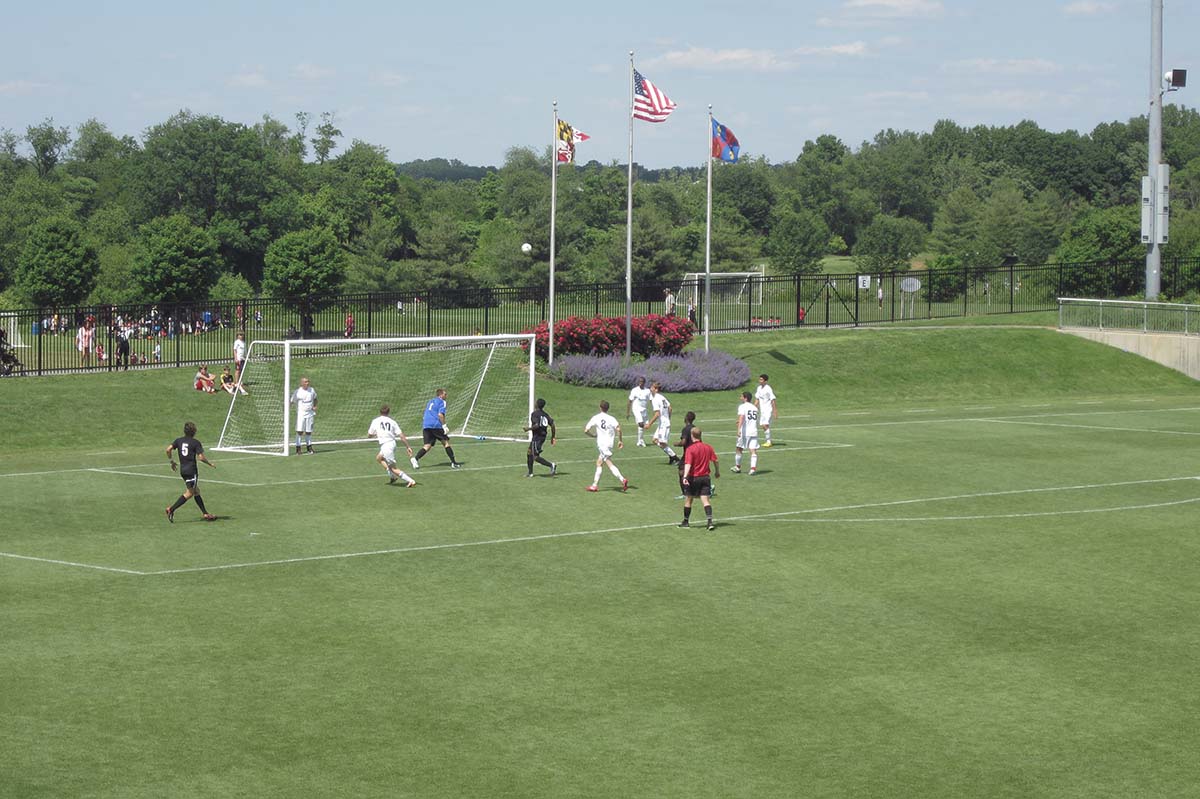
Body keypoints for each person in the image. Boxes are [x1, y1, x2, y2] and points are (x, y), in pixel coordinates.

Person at [165, 421, 217, 522]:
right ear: (194, 431)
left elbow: (168, 450)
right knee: (190, 493)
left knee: (196, 491)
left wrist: (171, 462)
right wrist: (210, 463)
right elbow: (201, 458)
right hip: (191, 471)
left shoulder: (178, 440)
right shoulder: (195, 443)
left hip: (183, 470)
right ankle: (171, 509)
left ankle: (205, 514)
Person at [679, 427, 719, 530]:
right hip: (705, 477)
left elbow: (688, 463)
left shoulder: (690, 449)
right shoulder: (708, 447)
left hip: (694, 477)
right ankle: (710, 522)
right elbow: (715, 460)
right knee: (705, 500)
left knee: (689, 499)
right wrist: (717, 471)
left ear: (692, 435)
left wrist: (684, 477)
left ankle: (686, 521)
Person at [412, 388, 462, 469]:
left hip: (426, 425)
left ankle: (415, 459)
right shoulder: (442, 402)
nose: (446, 396)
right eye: (445, 394)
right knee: (446, 443)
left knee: (427, 446)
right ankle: (454, 463)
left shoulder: (430, 401)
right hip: (435, 425)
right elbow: (440, 415)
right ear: (441, 395)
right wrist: (444, 426)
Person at [368, 404, 417, 487]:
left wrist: (376, 434)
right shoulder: (392, 422)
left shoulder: (375, 421)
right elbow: (401, 435)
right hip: (392, 443)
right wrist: (408, 446)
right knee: (379, 458)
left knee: (393, 468)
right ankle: (392, 477)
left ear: (380, 412)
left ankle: (411, 481)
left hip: (387, 446)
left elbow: (369, 435)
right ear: (388, 412)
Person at [584, 400, 628, 493]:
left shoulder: (596, 417)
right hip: (609, 444)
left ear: (600, 407)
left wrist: (592, 435)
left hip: (602, 444)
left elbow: (586, 430)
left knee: (608, 463)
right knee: (599, 463)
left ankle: (622, 479)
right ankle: (594, 485)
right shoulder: (612, 418)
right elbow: (619, 430)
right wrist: (620, 440)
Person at [646, 382, 680, 465]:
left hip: (663, 424)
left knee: (662, 443)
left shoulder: (655, 399)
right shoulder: (662, 397)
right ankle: (671, 456)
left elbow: (657, 414)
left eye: (652, 387)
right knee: (655, 440)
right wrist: (668, 418)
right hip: (662, 423)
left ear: (656, 389)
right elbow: (670, 408)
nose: (651, 388)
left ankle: (676, 458)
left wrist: (649, 424)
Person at [523, 398, 557, 477]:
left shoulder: (534, 414)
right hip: (541, 436)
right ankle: (530, 472)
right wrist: (553, 437)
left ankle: (551, 465)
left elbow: (536, 425)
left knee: (535, 456)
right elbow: (552, 425)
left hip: (537, 437)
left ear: (537, 404)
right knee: (529, 453)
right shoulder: (545, 414)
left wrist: (528, 429)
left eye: (535, 402)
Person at [734, 390, 761, 475]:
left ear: (745, 398)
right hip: (754, 431)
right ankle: (753, 469)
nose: (740, 398)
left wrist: (738, 429)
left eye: (741, 396)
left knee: (739, 448)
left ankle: (737, 467)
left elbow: (742, 417)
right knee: (753, 450)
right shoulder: (754, 407)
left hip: (745, 432)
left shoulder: (742, 406)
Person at [291, 376, 317, 454]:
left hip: (310, 413)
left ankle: (309, 447)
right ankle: (298, 448)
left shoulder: (312, 390)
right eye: (305, 382)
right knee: (300, 431)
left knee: (309, 431)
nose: (307, 383)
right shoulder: (298, 392)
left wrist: (315, 406)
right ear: (301, 383)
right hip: (301, 414)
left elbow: (315, 398)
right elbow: (292, 401)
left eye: (308, 381)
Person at [675, 410, 697, 499]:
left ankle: (685, 493)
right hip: (696, 452)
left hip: (688, 454)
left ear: (686, 418)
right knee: (693, 473)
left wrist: (677, 443)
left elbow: (684, 442)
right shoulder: (695, 428)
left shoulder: (686, 429)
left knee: (681, 472)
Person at [626, 376, 651, 447]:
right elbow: (630, 401)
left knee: (645, 425)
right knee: (640, 423)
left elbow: (651, 400)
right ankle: (641, 441)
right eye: (639, 382)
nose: (640, 383)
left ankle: (639, 441)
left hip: (644, 409)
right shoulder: (634, 390)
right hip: (636, 409)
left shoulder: (647, 391)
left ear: (644, 383)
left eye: (642, 382)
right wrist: (628, 412)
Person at [755, 374, 777, 448]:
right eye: (759, 379)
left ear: (765, 381)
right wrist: (753, 408)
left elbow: (773, 400)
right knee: (762, 425)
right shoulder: (759, 388)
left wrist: (774, 411)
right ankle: (768, 441)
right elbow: (757, 399)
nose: (759, 381)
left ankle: (769, 442)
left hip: (768, 410)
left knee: (765, 425)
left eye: (761, 379)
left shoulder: (768, 389)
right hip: (762, 410)